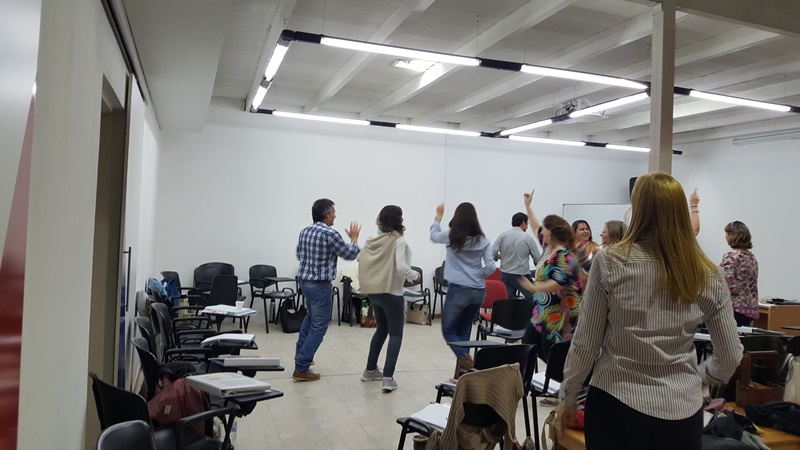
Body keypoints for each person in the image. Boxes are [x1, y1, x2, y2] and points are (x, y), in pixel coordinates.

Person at [556, 173, 743, 450]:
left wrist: (568, 396)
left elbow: (586, 344)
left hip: (616, 406)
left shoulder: (611, 262)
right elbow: (730, 357)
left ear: (638, 210)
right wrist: (697, 376)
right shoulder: (709, 273)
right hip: (682, 414)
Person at [293, 198, 361, 381]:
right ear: (326, 214)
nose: (335, 216)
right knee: (319, 326)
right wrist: (354, 240)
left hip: (305, 283)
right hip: (320, 285)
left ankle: (300, 354)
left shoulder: (304, 231)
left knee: (311, 318)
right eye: (334, 212)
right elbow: (350, 254)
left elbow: (299, 254)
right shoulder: (331, 234)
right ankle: (301, 368)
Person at [358, 205, 420, 392]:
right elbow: (401, 267)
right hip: (392, 293)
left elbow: (360, 259)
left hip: (374, 292)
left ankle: (370, 370)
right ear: (398, 220)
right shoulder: (398, 240)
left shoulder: (373, 239)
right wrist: (414, 275)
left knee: (381, 330)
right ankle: (388, 378)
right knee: (396, 334)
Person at [430, 202, 495, 377]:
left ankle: (467, 362)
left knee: (448, 331)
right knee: (463, 331)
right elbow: (491, 266)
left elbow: (433, 236)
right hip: (478, 290)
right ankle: (462, 375)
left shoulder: (451, 236)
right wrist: (479, 275)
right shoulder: (483, 240)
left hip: (458, 289)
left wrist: (438, 217)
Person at [518, 196, 582, 363]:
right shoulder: (548, 248)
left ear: (551, 233)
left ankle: (560, 377)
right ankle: (548, 375)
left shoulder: (565, 256)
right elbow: (535, 226)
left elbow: (560, 281)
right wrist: (528, 206)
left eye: (545, 229)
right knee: (529, 343)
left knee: (551, 352)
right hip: (542, 312)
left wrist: (534, 288)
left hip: (559, 315)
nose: (542, 231)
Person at [491, 212, 542, 299]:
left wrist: (499, 257)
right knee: (535, 297)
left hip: (505, 275)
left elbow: (492, 253)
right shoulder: (527, 238)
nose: (527, 227)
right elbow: (537, 259)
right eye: (527, 224)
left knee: (507, 301)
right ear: (523, 223)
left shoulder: (503, 236)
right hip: (521, 277)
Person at [720, 221, 759, 326]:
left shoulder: (731, 257)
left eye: (727, 234)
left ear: (733, 236)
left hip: (734, 308)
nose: (725, 237)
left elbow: (726, 284)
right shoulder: (752, 257)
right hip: (750, 309)